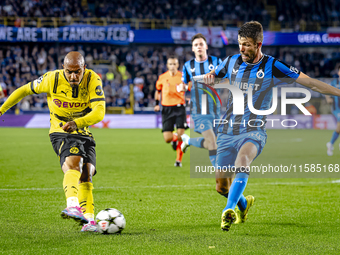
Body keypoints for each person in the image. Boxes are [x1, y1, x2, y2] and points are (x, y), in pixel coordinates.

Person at [201, 21, 340, 231]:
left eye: (246, 44)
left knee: (243, 160)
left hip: (254, 131)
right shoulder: (230, 62)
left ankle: (228, 211)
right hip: (228, 131)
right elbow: (211, 77)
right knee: (221, 187)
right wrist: (208, 79)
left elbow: (310, 82)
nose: (242, 49)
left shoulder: (273, 66)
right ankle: (243, 205)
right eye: (240, 44)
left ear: (259, 44)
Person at [0, 51, 105, 232]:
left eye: (77, 72)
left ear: (84, 68)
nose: (73, 76)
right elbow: (23, 90)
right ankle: (72, 204)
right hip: (60, 131)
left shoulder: (92, 79)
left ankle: (89, 221)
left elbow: (100, 111)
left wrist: (78, 123)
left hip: (83, 130)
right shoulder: (51, 79)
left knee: (87, 173)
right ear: (63, 68)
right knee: (74, 163)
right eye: (69, 71)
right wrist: (1, 110)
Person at [179, 33, 223, 169]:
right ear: (192, 49)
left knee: (212, 142)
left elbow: (226, 79)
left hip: (215, 109)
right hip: (199, 110)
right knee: (213, 143)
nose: (199, 47)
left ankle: (188, 141)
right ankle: (221, 175)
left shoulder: (216, 62)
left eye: (201, 44)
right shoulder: (188, 66)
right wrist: (182, 87)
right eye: (196, 45)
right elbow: (183, 85)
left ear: (206, 46)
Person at [154, 55, 188, 167]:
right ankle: (174, 139)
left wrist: (187, 88)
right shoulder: (162, 77)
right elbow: (158, 91)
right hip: (166, 108)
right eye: (170, 64)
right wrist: (156, 104)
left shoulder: (183, 76)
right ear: (167, 65)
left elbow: (190, 87)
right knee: (167, 139)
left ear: (178, 65)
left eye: (174, 64)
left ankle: (178, 161)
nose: (172, 66)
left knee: (181, 135)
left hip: (179, 108)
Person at [326, 65, 340, 156]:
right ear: (338, 72)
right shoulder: (335, 82)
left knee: (338, 129)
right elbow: (326, 90)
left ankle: (330, 144)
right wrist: (328, 99)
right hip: (337, 108)